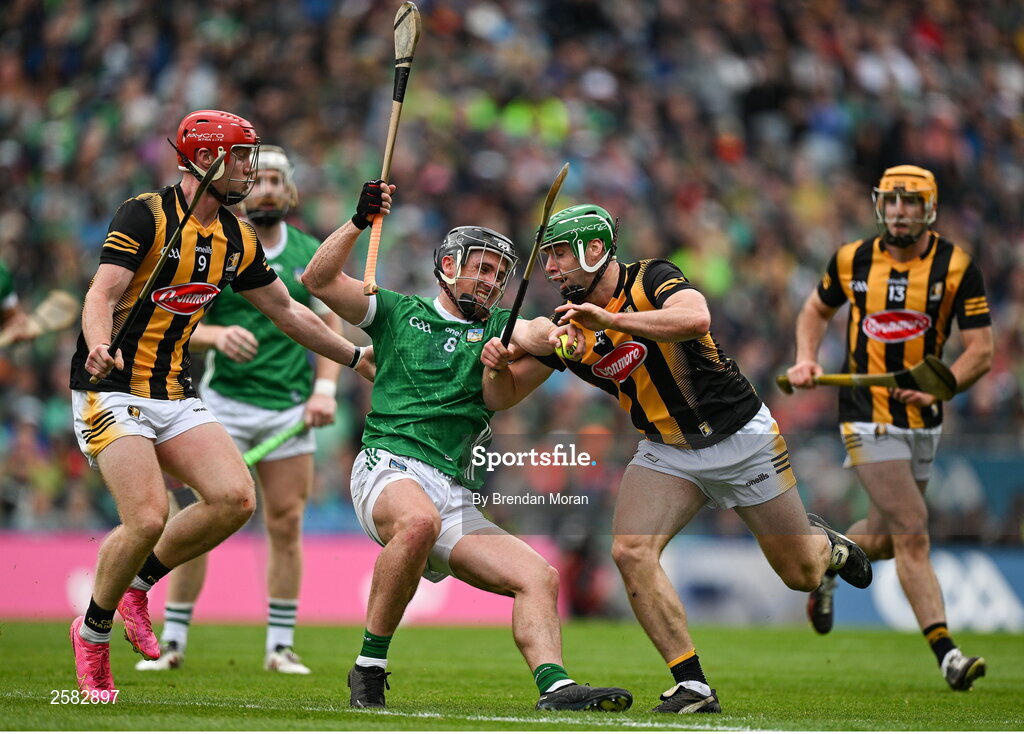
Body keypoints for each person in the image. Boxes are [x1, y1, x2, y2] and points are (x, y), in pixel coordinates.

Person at [487, 203, 873, 714]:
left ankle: (828, 546)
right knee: (628, 552)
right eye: (549, 258)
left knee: (800, 572)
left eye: (559, 254)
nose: (551, 268)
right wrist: (497, 364)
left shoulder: (652, 278)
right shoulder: (569, 329)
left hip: (742, 439)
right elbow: (504, 396)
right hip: (668, 452)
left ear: (594, 249)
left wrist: (612, 318)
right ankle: (692, 684)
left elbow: (696, 318)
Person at [300, 181, 632, 712]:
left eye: (500, 274)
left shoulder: (500, 327)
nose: (492, 280)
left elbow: (539, 334)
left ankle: (555, 686)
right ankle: (368, 668)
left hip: (451, 491)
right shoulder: (396, 312)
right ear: (448, 267)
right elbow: (317, 279)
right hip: (388, 465)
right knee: (417, 523)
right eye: (481, 267)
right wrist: (359, 221)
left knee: (537, 577)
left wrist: (563, 338)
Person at [68, 110, 369, 695]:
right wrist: (101, 345)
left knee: (234, 499)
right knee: (149, 516)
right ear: (206, 161)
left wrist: (353, 357)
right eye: (240, 157)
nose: (250, 170)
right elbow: (100, 293)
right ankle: (93, 632)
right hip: (110, 388)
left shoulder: (236, 236)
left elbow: (288, 312)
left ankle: (137, 586)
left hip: (173, 393)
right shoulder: (144, 214)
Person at [134, 145, 365, 676]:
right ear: (243, 186)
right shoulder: (218, 243)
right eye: (259, 180)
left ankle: (280, 645)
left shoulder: (313, 252)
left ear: (292, 192)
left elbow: (329, 326)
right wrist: (215, 335)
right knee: (204, 518)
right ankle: (172, 639)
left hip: (288, 411)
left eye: (278, 181)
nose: (267, 189)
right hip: (224, 407)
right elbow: (174, 321)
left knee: (285, 524)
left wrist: (324, 390)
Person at [786, 165, 993, 691]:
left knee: (879, 541)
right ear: (881, 205)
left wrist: (942, 387)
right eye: (893, 201)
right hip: (865, 411)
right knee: (912, 530)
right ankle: (947, 654)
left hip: (924, 415)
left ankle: (828, 556)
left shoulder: (955, 266)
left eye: (911, 202)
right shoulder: (852, 259)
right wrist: (806, 358)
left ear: (929, 209)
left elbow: (982, 351)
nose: (900, 211)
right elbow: (815, 311)